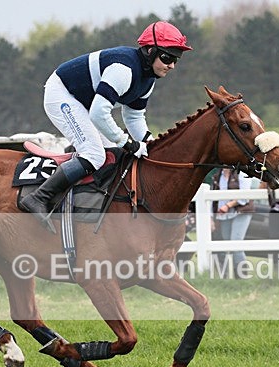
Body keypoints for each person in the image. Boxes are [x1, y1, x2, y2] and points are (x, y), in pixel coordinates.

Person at [19, 21, 192, 223]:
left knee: (113, 154)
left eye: (176, 60)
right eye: (167, 57)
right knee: (95, 154)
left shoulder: (148, 79)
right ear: (150, 51)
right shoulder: (123, 69)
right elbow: (99, 114)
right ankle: (39, 197)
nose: (171, 65)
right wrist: (127, 142)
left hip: (84, 104)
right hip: (62, 95)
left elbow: (134, 116)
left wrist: (149, 143)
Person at [213, 167, 255, 278]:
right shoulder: (218, 175)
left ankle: (242, 275)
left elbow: (244, 197)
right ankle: (228, 276)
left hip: (241, 211)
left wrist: (228, 205)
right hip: (224, 213)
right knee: (228, 245)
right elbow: (214, 197)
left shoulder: (241, 173)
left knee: (236, 243)